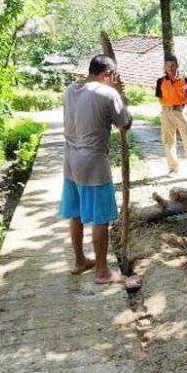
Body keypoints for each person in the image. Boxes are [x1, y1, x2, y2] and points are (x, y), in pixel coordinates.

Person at [59, 54, 132, 285]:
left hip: (70, 159)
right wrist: (118, 93)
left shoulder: (71, 90)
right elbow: (125, 122)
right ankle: (102, 271)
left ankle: (80, 260)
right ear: (107, 75)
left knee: (77, 213)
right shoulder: (107, 93)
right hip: (93, 162)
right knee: (101, 218)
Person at [155, 54, 187, 177]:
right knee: (168, 140)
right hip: (166, 112)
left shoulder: (185, 80)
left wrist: (179, 102)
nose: (171, 68)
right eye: (168, 66)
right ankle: (173, 168)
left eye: (173, 65)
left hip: (181, 111)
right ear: (164, 67)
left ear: (177, 66)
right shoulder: (161, 81)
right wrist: (170, 103)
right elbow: (160, 98)